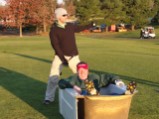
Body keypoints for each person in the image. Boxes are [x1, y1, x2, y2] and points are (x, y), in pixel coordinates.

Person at [43, 8, 94, 104]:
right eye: (64, 15)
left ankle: (91, 93)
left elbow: (79, 28)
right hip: (59, 57)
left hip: (74, 57)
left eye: (66, 15)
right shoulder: (54, 30)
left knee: (83, 76)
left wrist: (89, 25)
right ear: (58, 17)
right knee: (53, 78)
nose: (66, 16)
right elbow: (56, 46)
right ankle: (48, 98)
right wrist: (63, 59)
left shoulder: (70, 26)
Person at [58, 61, 127, 95]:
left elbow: (107, 77)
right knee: (85, 92)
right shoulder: (74, 78)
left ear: (87, 71)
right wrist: (73, 86)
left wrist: (117, 80)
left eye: (84, 70)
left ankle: (124, 93)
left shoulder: (94, 77)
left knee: (114, 94)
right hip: (85, 101)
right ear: (77, 71)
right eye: (80, 71)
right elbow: (61, 83)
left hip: (98, 99)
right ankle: (91, 92)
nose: (82, 72)